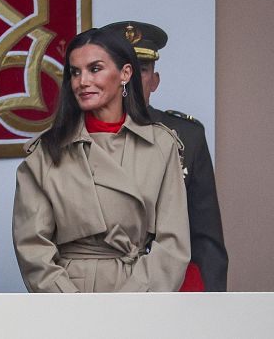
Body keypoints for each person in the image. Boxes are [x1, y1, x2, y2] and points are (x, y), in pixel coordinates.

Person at [12, 25, 190, 292]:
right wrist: (72, 306)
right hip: (69, 296)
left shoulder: (161, 146)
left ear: (125, 73)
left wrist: (133, 303)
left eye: (95, 69)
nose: (82, 81)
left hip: (140, 291)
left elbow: (173, 244)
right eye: (75, 72)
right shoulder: (47, 151)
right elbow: (33, 247)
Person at [103, 20, 227, 291]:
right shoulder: (82, 135)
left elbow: (205, 237)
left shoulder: (187, 136)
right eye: (122, 69)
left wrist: (213, 305)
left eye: (142, 70)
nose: (132, 78)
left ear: (155, 81)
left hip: (171, 285)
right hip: (103, 282)